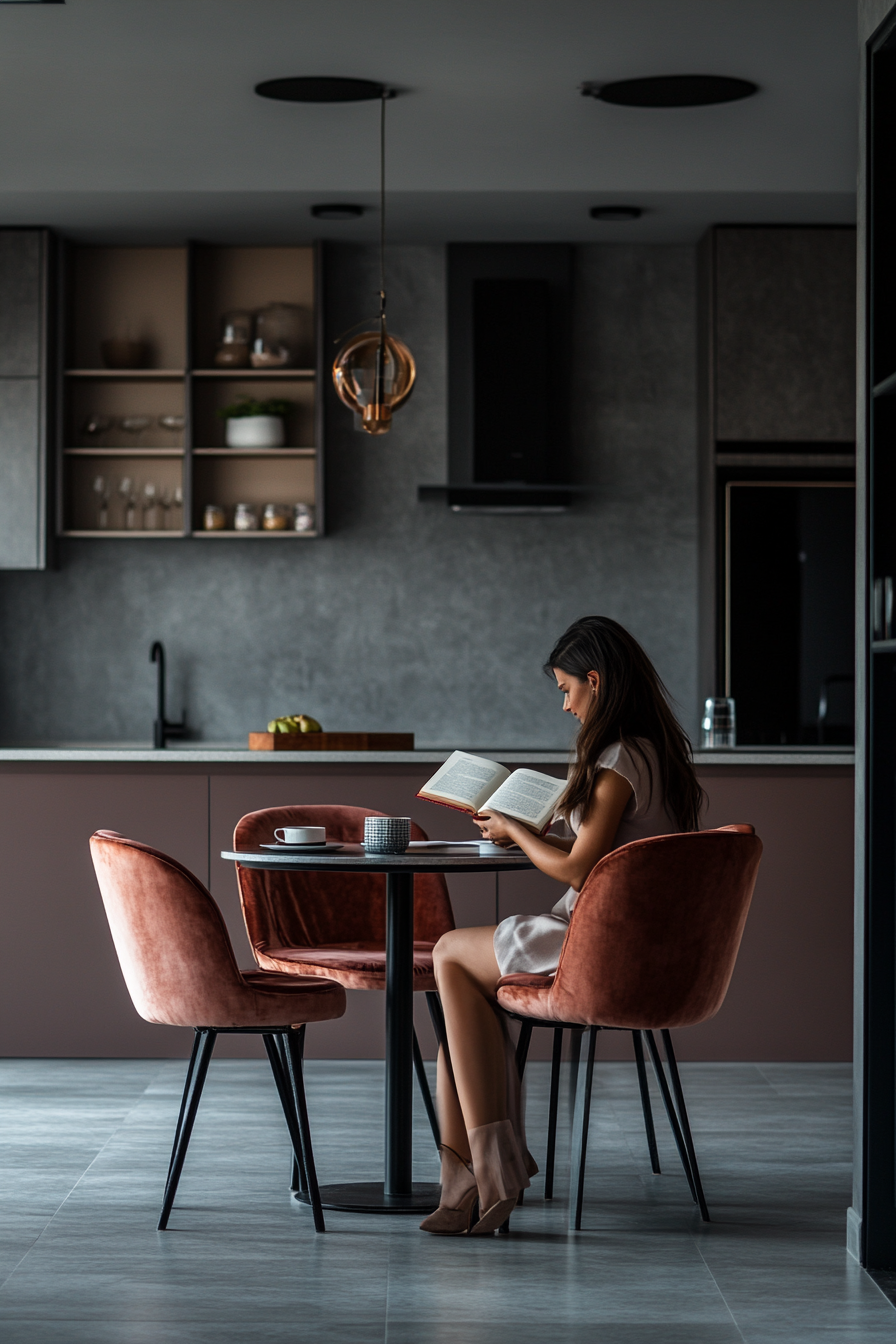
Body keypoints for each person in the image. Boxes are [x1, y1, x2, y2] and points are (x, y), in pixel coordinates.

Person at [422, 615, 705, 1236]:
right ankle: (474, 1175)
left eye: (565, 689)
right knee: (465, 999)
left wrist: (515, 828)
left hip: (599, 943)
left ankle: (482, 1171)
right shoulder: (658, 753)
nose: (566, 703)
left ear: (595, 682)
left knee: (448, 952)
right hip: (642, 942)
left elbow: (580, 871)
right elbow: (611, 852)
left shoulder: (617, 758)